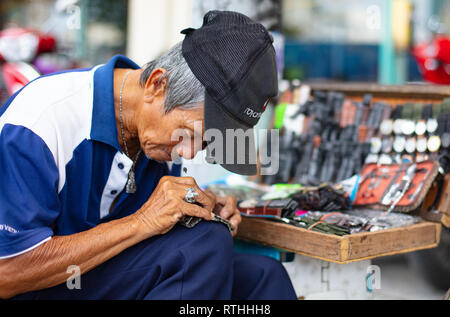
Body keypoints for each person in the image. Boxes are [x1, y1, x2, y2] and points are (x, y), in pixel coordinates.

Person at [0, 10, 296, 300]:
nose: (188, 152)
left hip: (91, 276)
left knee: (263, 277)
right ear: (157, 83)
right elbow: (7, 273)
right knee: (206, 245)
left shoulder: (160, 134)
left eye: (205, 144)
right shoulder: (40, 122)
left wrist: (202, 208)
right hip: (36, 285)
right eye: (189, 134)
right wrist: (141, 222)